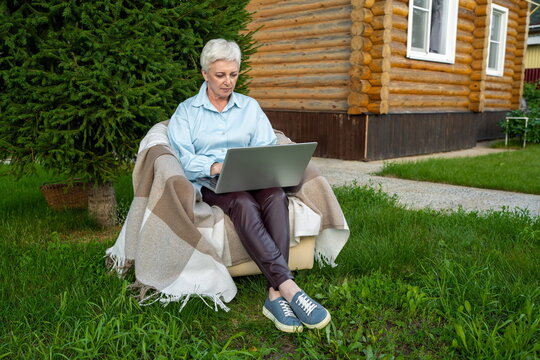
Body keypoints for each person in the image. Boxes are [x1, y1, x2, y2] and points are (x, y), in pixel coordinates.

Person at [167, 39, 331, 333]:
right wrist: (215, 167)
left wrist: (266, 164)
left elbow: (267, 145)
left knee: (276, 196)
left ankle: (275, 294)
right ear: (204, 73)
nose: (228, 82)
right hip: (212, 183)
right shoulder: (187, 112)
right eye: (220, 75)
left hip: (253, 177)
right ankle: (288, 286)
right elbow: (182, 159)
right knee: (242, 202)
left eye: (233, 74)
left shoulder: (250, 107)